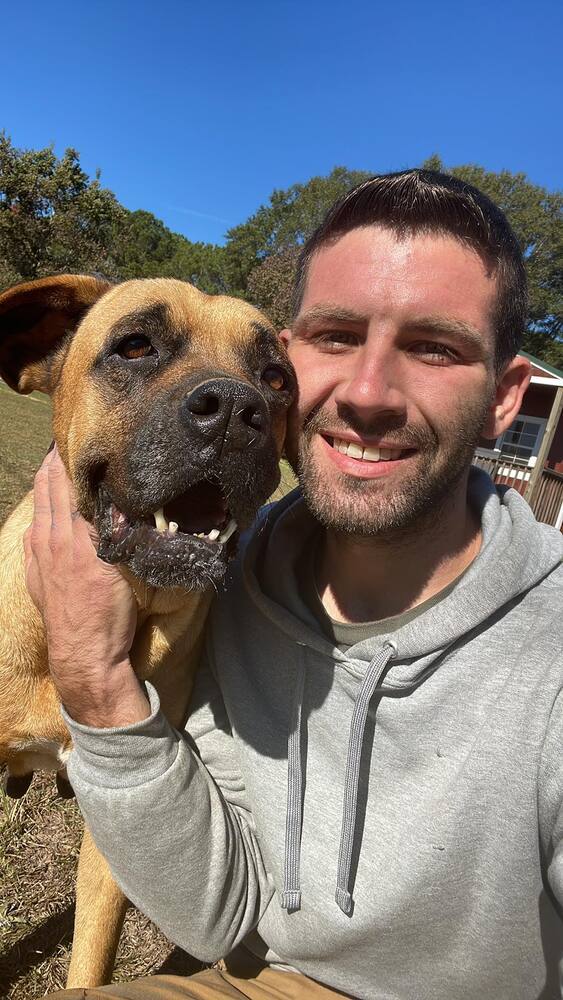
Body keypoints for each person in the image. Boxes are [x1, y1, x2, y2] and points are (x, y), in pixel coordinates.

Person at [33, 170, 563, 1000]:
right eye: (334, 336)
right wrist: (99, 688)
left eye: (433, 347)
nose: (364, 393)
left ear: (504, 398)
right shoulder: (235, 588)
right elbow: (218, 909)